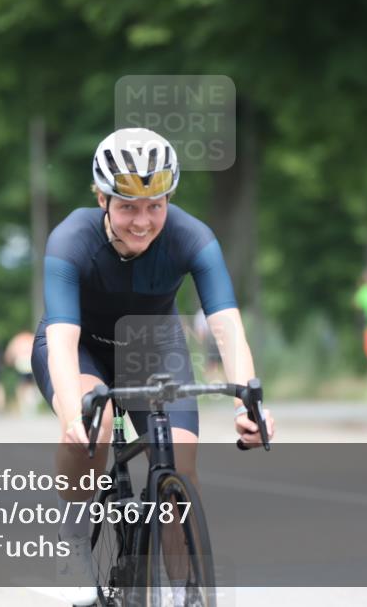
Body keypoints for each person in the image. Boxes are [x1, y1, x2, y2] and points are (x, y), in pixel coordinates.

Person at [31, 127, 275, 605]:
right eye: (127, 207)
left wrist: (251, 401)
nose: (142, 222)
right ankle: (74, 542)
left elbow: (227, 326)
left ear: (170, 198)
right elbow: (62, 339)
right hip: (82, 346)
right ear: (101, 198)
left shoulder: (193, 238)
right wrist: (69, 416)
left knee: (181, 467)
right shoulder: (70, 239)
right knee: (91, 428)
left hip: (150, 344)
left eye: (155, 206)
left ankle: (184, 592)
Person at [4, 330, 37, 416]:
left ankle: (24, 405)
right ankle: (31, 403)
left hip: (21, 363)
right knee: (31, 384)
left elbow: (10, 352)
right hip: (31, 363)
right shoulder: (32, 337)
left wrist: (9, 362)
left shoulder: (17, 339)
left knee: (22, 385)